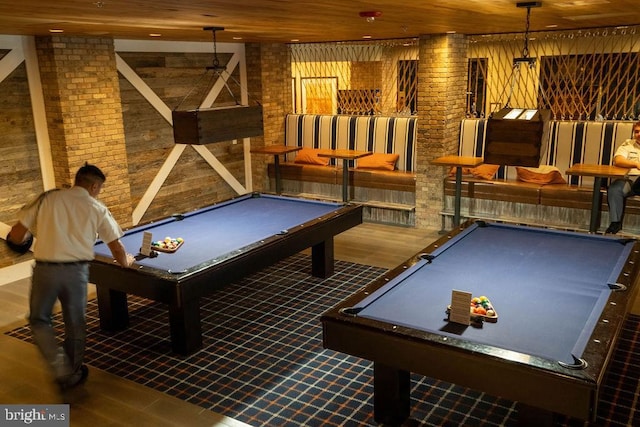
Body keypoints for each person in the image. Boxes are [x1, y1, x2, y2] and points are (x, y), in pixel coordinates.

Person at [6, 163, 134, 396]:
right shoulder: (96, 207)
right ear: (95, 186)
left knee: (39, 320)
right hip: (76, 272)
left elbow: (16, 235)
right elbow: (116, 248)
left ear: (77, 180)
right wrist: (128, 263)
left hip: (45, 270)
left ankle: (60, 368)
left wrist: (24, 243)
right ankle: (72, 373)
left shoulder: (48, 197)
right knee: (75, 324)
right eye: (100, 189)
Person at [606, 121, 640, 234]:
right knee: (614, 189)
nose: (639, 134)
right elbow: (618, 160)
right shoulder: (628, 144)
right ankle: (615, 224)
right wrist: (635, 164)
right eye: (637, 132)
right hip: (629, 180)